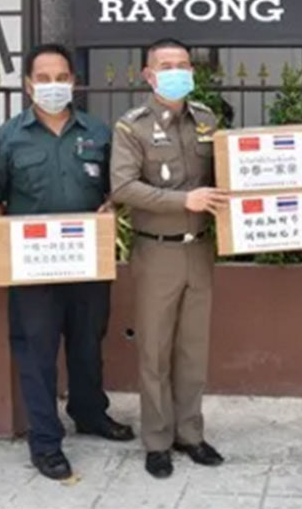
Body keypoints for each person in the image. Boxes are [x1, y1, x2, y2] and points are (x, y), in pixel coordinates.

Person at [0, 43, 134, 481]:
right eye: (42, 79)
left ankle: (89, 413)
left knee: (88, 342)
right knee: (37, 352)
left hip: (86, 260)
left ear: (73, 81)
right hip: (32, 266)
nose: (52, 86)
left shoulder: (99, 134)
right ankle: (45, 441)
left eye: (60, 78)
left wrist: (111, 211)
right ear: (29, 85)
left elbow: (115, 192)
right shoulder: (8, 137)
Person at [109, 38, 226, 480]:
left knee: (193, 349)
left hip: (199, 249)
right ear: (148, 74)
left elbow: (225, 176)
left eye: (183, 64)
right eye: (166, 65)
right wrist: (185, 200)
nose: (177, 71)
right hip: (156, 248)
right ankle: (157, 441)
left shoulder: (207, 122)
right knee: (155, 350)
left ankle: (190, 434)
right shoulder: (130, 127)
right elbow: (123, 188)